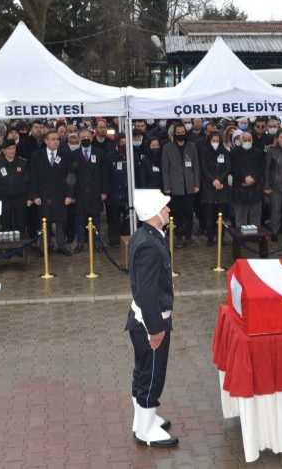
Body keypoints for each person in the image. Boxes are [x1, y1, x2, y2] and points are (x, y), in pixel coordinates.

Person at [126, 189, 178, 448]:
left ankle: (143, 419)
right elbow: (146, 292)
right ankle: (145, 431)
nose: (168, 210)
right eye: (164, 207)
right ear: (155, 213)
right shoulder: (148, 244)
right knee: (153, 375)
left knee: (143, 371)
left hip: (143, 320)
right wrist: (156, 329)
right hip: (150, 322)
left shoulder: (146, 235)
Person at [30, 131, 74, 255]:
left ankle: (61, 245)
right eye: (53, 139)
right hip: (43, 196)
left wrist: (70, 195)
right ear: (46, 141)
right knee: (43, 222)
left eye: (58, 139)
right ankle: (43, 247)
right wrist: (34, 196)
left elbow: (70, 176)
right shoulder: (37, 155)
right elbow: (33, 177)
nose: (56, 141)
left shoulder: (65, 155)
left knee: (60, 221)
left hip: (60, 195)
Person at [161, 123, 199, 248]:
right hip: (174, 187)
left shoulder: (192, 146)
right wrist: (167, 186)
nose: (181, 134)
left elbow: (196, 167)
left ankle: (188, 236)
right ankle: (177, 237)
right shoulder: (167, 148)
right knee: (176, 214)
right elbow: (165, 169)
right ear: (174, 133)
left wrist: (196, 184)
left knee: (189, 213)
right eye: (178, 132)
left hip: (189, 187)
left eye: (183, 132)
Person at [71, 129, 107, 253]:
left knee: (96, 219)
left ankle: (98, 243)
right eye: (83, 137)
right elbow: (71, 176)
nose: (85, 138)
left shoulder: (100, 153)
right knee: (79, 220)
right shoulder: (74, 154)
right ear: (79, 139)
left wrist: (104, 191)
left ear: (91, 137)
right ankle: (80, 243)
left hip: (95, 193)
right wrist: (71, 194)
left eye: (87, 136)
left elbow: (104, 173)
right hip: (79, 194)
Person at [199, 130, 231, 245]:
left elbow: (227, 167)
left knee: (221, 215)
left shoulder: (225, 151)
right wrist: (213, 180)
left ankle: (221, 239)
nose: (216, 142)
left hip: (222, 187)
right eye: (214, 140)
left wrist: (220, 180)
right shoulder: (205, 151)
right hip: (209, 187)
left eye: (217, 141)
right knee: (209, 215)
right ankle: (210, 238)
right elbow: (204, 168)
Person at [230, 131, 263, 227]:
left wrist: (254, 179)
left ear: (252, 140)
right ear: (240, 140)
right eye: (245, 140)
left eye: (249, 140)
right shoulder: (234, 152)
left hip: (255, 188)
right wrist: (243, 179)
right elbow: (232, 168)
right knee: (240, 215)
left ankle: (255, 236)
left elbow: (261, 168)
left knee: (255, 215)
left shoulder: (258, 152)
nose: (247, 141)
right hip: (239, 188)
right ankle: (240, 238)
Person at [105, 135, 130, 247]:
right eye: (121, 143)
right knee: (113, 218)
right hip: (113, 193)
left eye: (125, 143)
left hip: (127, 193)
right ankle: (114, 240)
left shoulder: (131, 155)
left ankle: (125, 238)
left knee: (127, 218)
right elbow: (105, 175)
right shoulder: (109, 156)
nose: (123, 145)